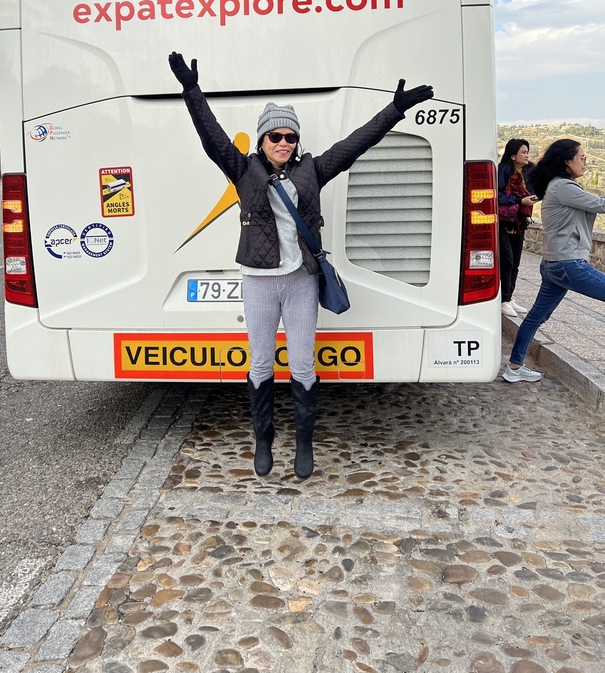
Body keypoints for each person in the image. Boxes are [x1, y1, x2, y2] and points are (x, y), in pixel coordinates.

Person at [168, 52, 433, 477]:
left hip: (301, 282)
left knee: (304, 365)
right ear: (261, 140)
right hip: (258, 281)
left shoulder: (312, 170)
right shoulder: (243, 170)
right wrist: (191, 90)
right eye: (274, 135)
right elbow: (212, 136)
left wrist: (396, 110)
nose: (283, 142)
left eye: (290, 135)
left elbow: (355, 143)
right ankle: (263, 442)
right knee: (259, 363)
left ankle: (304, 445)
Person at [504, 139, 605, 382]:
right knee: (536, 317)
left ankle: (514, 368)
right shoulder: (563, 186)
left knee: (535, 317)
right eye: (582, 157)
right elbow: (600, 204)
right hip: (568, 265)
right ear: (566, 160)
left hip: (554, 265)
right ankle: (514, 367)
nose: (586, 163)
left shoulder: (560, 186)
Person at [498, 139, 537, 317]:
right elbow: (496, 195)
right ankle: (503, 300)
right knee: (506, 259)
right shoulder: (504, 171)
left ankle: (509, 296)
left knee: (515, 262)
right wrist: (519, 200)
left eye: (527, 151)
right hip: (504, 220)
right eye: (523, 152)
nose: (527, 155)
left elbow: (534, 192)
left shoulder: (528, 172)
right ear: (513, 155)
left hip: (520, 220)